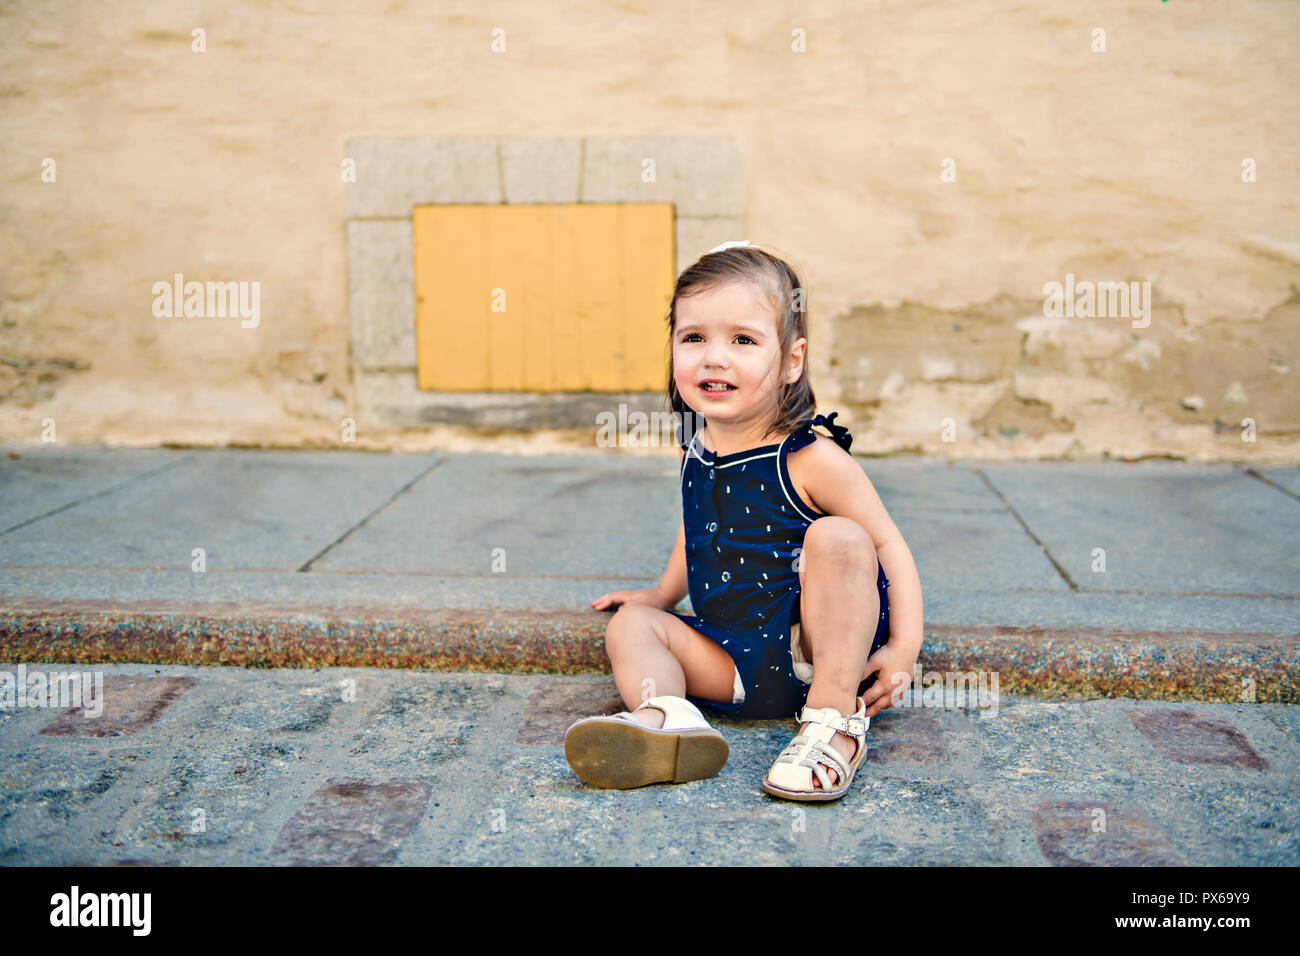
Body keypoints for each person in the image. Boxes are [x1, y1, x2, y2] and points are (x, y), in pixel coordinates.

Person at [565, 240, 923, 802]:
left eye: (743, 340)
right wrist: (661, 594)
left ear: (792, 361)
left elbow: (889, 546)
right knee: (630, 624)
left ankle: (833, 724)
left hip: (812, 653)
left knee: (841, 537)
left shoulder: (809, 457)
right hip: (730, 663)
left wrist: (904, 648)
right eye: (693, 338)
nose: (714, 357)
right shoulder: (697, 447)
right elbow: (698, 526)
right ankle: (671, 723)